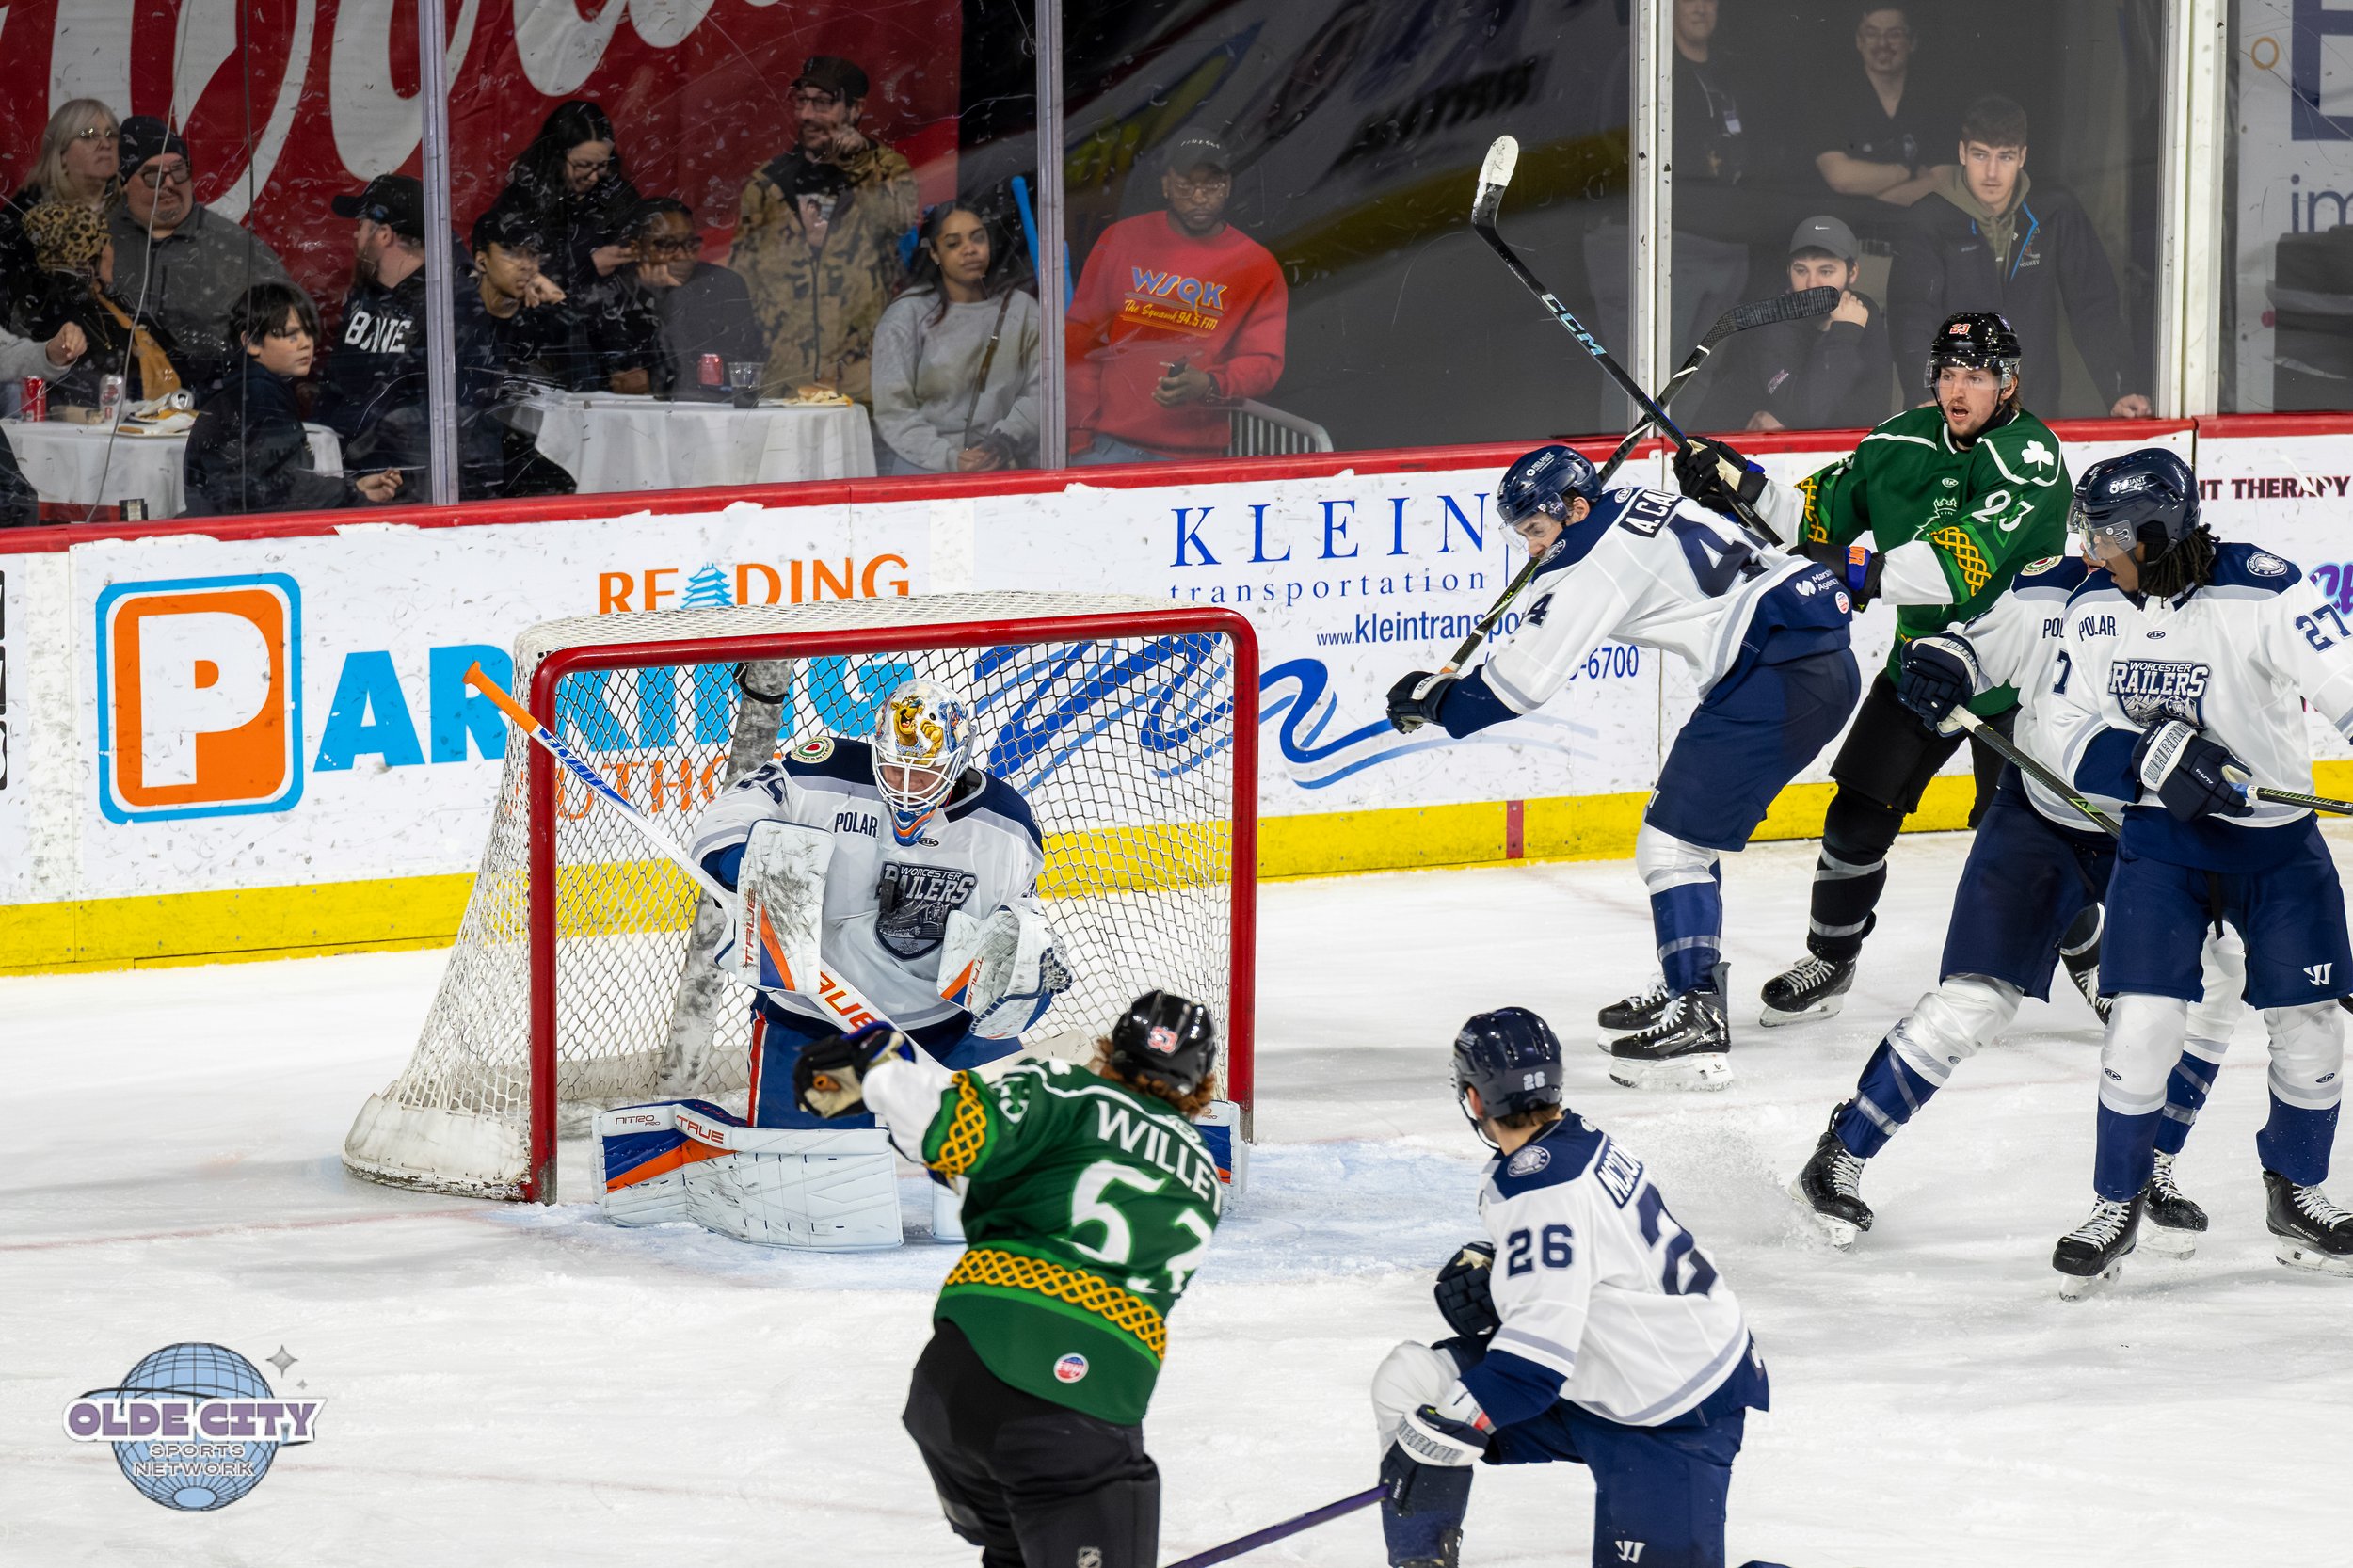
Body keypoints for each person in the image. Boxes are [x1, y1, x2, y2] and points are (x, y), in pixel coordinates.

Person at [1791, 537, 2245, 1251]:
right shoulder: (2053, 590)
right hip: (2042, 820)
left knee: (2216, 979)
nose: (2097, 552)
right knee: (1975, 1000)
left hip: (2155, 834)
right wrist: (1945, 662)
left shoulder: (2215, 608)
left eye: (2116, 537)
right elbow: (1974, 647)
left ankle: (2150, 1163)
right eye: (2091, 534)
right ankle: (1839, 1154)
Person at [1386, 444, 1858, 1087]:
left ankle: (1697, 1012)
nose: (1530, 548)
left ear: (1577, 508)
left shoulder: (1591, 563)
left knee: (1671, 850)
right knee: (1682, 840)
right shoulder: (1642, 502)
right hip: (1797, 659)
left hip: (1775, 674)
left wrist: (1432, 699)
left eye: (1537, 530)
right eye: (1523, 533)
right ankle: (1684, 984)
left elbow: (1512, 692)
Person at [1674, 312, 2071, 1027]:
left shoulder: (2029, 458)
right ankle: (1832, 958)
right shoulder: (1898, 440)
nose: (1957, 390)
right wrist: (1739, 481)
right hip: (1921, 667)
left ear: (2007, 383)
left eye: (1974, 377)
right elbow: (1815, 517)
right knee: (1854, 820)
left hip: (2014, 674)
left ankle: (2095, 963)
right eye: (1948, 374)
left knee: (2025, 834)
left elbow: (1958, 563)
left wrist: (1859, 570)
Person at [2041, 450, 2353, 1291]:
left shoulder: (2265, 588)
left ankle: (2299, 1194)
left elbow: (2347, 687)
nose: (2093, 549)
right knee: (2141, 1027)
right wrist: (2146, 754)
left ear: (2157, 530)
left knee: (2313, 1027)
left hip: (2277, 846)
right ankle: (2117, 1202)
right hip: (2161, 850)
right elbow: (2059, 726)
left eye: (2106, 534)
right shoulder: (2092, 602)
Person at [792, 990, 1225, 1568]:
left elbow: (954, 1134)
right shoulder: (1201, 1171)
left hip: (951, 1389)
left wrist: (876, 1079)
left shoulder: (1062, 1087)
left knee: (1014, 1555)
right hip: (1069, 1414)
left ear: (1112, 1050)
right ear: (1200, 1082)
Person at [1369, 1008, 1769, 1568]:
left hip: (1673, 1405)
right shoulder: (1574, 1141)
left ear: (1475, 1099)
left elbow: (1531, 1369)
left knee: (1438, 1413)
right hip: (1612, 1368)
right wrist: (1508, 1272)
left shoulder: (1540, 1191)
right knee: (1412, 1381)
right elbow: (1593, 1254)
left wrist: (1449, 1425)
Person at [686, 676, 1072, 1130]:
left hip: (943, 1036)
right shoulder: (818, 776)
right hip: (817, 1026)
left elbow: (1008, 929)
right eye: (894, 770)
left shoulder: (1007, 827)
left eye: (926, 773)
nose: (908, 788)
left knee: (1008, 1154)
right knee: (803, 1176)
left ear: (959, 763)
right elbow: (729, 813)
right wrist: (739, 860)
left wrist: (1022, 975)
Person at [1887, 95, 2153, 421]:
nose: (1992, 172)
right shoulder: (1927, 218)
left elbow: (2093, 303)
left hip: (2034, 404)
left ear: (2023, 156)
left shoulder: (2054, 211)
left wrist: (2120, 388)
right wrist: (1924, 394)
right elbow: (1912, 313)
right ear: (1962, 153)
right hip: (1952, 409)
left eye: (2006, 157)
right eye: (1980, 155)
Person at [1065, 131, 1288, 465]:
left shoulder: (1257, 266)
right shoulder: (1121, 239)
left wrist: (1211, 384)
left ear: (1227, 186)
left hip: (1195, 457)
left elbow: (1264, 361)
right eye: (1186, 185)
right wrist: (1079, 438)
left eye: (1211, 185)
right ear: (1166, 185)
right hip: (1108, 448)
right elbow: (1081, 338)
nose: (1199, 197)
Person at [729, 56, 919, 403]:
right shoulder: (766, 183)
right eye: (802, 101)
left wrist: (859, 163)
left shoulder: (886, 170)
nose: (807, 115)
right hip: (783, 381)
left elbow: (900, 219)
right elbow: (742, 284)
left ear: (855, 109)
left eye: (822, 103)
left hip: (860, 383)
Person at [105, 116, 295, 391]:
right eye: (154, 175)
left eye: (179, 170)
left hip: (213, 405)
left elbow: (286, 343)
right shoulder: (100, 240)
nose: (169, 183)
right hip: (115, 406)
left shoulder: (238, 249)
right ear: (124, 182)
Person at [184, 281, 403, 516]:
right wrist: (351, 494)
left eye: (307, 332)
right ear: (251, 342)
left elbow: (275, 485)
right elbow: (286, 490)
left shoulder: (247, 390)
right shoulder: (260, 396)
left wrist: (354, 488)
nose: (306, 343)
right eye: (291, 335)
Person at [872, 201, 1040, 473]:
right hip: (924, 467)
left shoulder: (1022, 311)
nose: (970, 249)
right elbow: (894, 411)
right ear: (935, 254)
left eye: (978, 238)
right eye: (953, 243)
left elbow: (1043, 390)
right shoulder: (905, 316)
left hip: (1003, 463)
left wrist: (1003, 441)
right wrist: (948, 457)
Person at [1696, 215, 1892, 433]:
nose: (1811, 284)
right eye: (1801, 270)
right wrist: (1843, 334)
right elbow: (1810, 413)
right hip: (1718, 452)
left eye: (1825, 271)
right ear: (1788, 271)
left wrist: (1789, 417)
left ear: (1852, 272)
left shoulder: (1863, 311)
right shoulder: (1773, 318)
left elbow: (1871, 411)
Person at [312, 174, 432, 483]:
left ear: (384, 235)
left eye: (361, 227)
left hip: (405, 485)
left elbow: (443, 415)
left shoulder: (444, 303)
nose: (355, 237)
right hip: (347, 472)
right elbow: (336, 385)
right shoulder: (364, 294)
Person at [454, 206, 579, 499]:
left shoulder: (541, 322)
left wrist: (561, 304)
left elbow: (583, 384)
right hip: (467, 461)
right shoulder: (457, 320)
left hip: (526, 458)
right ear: (482, 260)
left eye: (532, 254)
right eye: (512, 252)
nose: (526, 265)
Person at [21, 200, 185, 410]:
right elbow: (82, 386)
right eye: (110, 243)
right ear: (88, 256)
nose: (117, 253)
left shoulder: (100, 301)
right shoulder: (63, 306)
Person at [597, 198, 766, 400]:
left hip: (710, 410)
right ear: (637, 248)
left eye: (690, 243)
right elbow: (622, 377)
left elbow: (740, 367)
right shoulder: (618, 291)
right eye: (667, 245)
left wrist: (672, 295)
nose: (683, 255)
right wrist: (653, 295)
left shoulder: (723, 284)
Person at [480, 100, 643, 296]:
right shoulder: (523, 200)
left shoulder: (618, 194)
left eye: (601, 165)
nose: (593, 176)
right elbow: (514, 278)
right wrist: (589, 267)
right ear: (557, 159)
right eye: (583, 165)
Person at [1811, 7, 1954, 209]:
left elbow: (1945, 182)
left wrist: (1867, 185)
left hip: (1916, 228)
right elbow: (1840, 177)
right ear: (1859, 42)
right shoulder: (1833, 99)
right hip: (1849, 225)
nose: (1882, 44)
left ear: (1912, 42)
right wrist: (1907, 172)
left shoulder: (1935, 101)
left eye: (1894, 34)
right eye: (1872, 34)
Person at [1, 100, 119, 332]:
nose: (105, 143)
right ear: (61, 152)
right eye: (88, 135)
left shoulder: (138, 206)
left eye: (111, 134)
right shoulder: (23, 221)